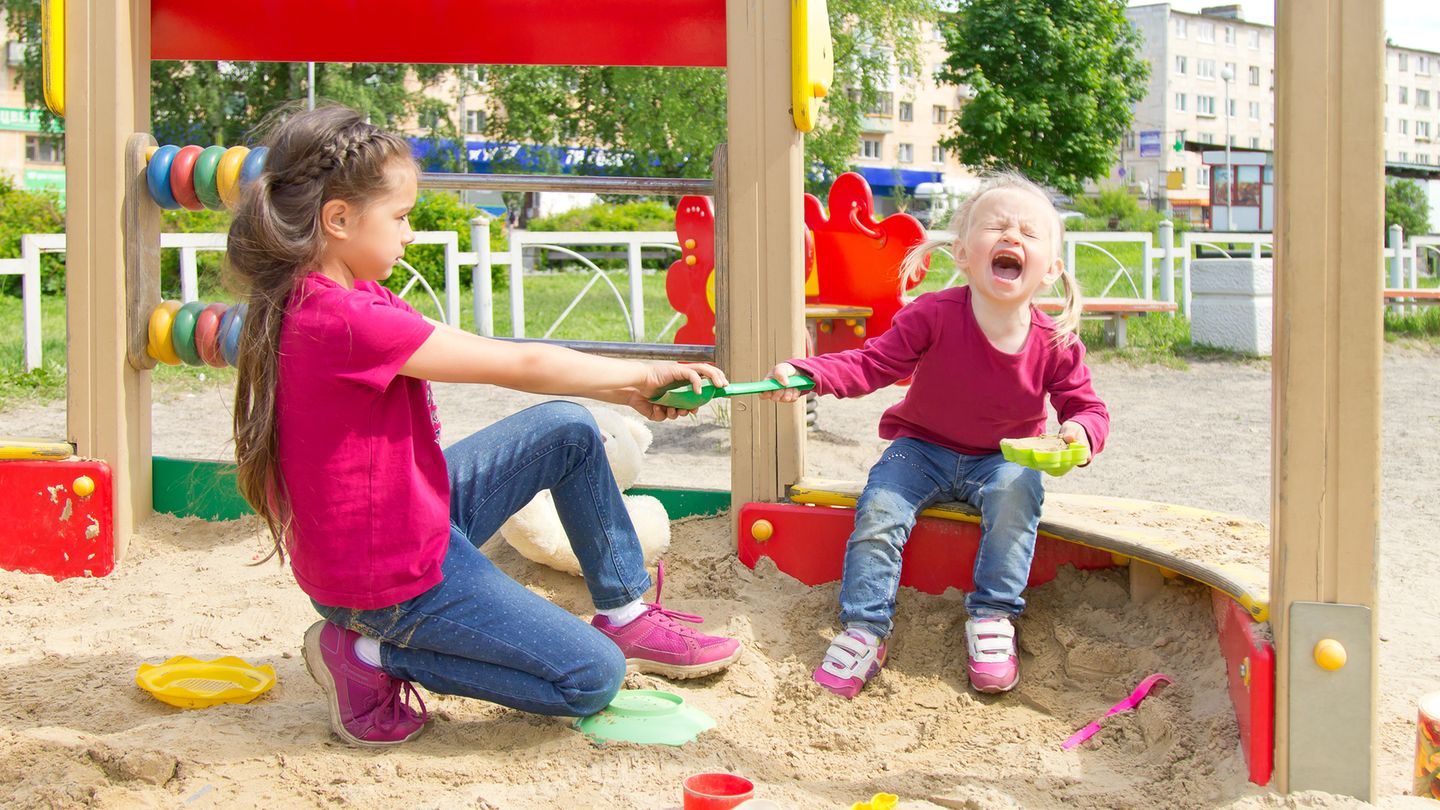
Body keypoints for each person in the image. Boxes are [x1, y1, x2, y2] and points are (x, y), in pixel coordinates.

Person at [226, 104, 741, 747]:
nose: (409, 233)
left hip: (407, 521)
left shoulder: (350, 296)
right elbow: (514, 363)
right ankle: (366, 656)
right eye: (401, 217)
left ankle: (625, 610)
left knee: (568, 431)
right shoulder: (340, 321)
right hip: (387, 582)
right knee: (590, 679)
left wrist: (630, 389)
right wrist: (640, 375)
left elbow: (493, 352)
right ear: (338, 219)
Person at [760, 171, 1109, 698]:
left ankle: (993, 617)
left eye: (1030, 233)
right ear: (963, 255)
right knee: (879, 509)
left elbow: (1086, 406)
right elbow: (874, 362)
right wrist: (814, 374)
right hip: (921, 449)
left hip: (1003, 458)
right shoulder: (934, 314)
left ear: (1051, 269)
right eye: (996, 226)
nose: (1012, 236)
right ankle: (864, 629)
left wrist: (1079, 433)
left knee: (1021, 493)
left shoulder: (1054, 339)